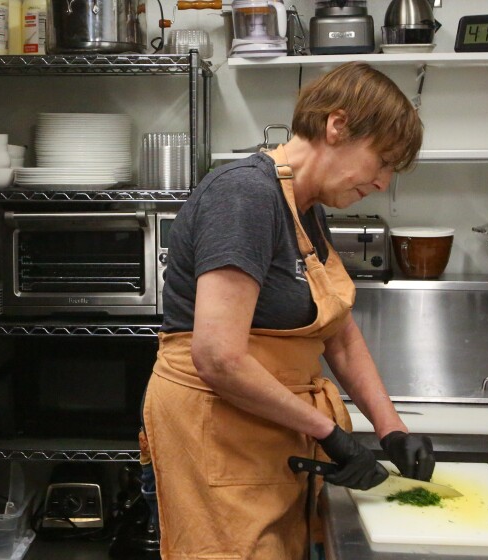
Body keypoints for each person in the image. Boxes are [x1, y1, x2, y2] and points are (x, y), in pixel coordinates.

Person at [138, 61, 434, 559]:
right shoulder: (244, 196)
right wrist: (330, 433)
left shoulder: (307, 207)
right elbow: (218, 357)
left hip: (268, 430)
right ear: (337, 126)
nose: (382, 183)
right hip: (217, 433)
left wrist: (392, 429)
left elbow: (337, 333)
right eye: (381, 161)